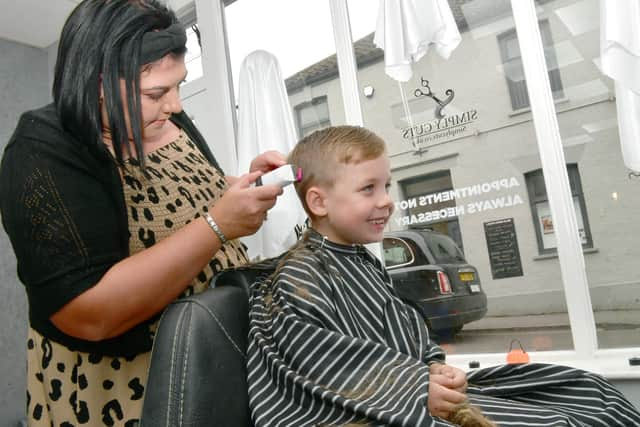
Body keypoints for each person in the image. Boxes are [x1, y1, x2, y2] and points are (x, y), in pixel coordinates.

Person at [0, 1, 285, 425]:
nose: (175, 105)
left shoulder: (166, 119)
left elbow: (182, 201)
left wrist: (240, 188)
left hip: (217, 358)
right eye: (156, 93)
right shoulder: (41, 152)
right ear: (98, 82)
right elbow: (88, 312)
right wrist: (218, 226)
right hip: (125, 389)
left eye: (178, 86)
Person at [246, 125, 640, 426]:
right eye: (368, 188)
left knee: (586, 390)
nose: (386, 200)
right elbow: (321, 362)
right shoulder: (296, 279)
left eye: (387, 185)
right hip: (383, 407)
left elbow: (404, 334)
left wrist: (435, 365)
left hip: (415, 388)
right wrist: (417, 388)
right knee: (558, 422)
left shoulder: (364, 262)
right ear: (318, 201)